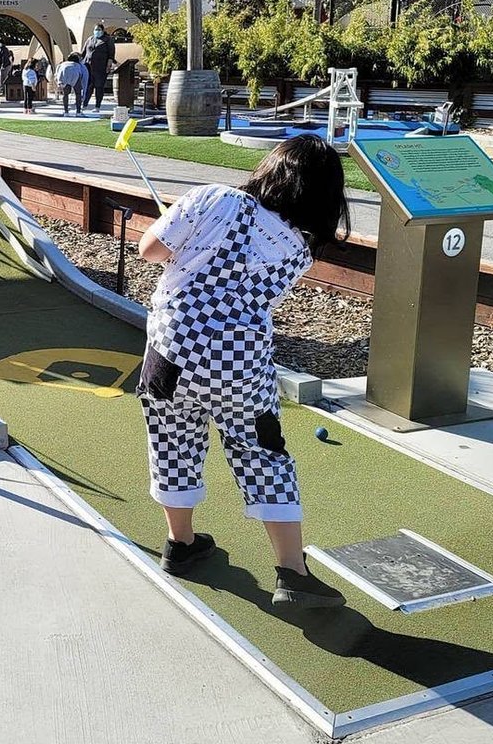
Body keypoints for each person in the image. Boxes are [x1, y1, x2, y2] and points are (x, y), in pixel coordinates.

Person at [136, 135, 351, 608]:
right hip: (241, 366)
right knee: (263, 452)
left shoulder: (215, 196)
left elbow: (149, 249)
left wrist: (183, 254)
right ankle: (292, 572)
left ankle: (181, 544)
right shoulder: (299, 249)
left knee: (172, 441)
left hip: (171, 353)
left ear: (272, 170)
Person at [81, 21, 116, 112]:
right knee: (88, 86)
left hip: (101, 67)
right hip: (88, 66)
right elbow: (83, 52)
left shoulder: (108, 40)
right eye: (96, 29)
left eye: (99, 30)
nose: (97, 31)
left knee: (99, 86)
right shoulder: (90, 39)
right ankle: (84, 105)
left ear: (103, 30)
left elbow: (111, 54)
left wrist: (109, 65)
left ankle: (97, 106)